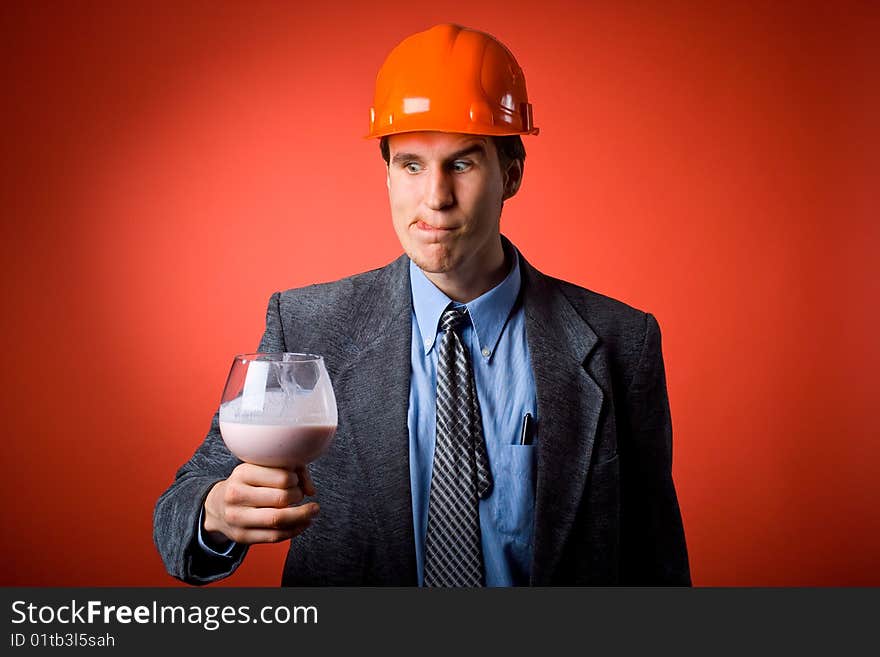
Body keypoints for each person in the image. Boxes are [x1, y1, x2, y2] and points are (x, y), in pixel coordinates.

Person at [153, 23, 690, 586]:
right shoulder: (310, 328)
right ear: (386, 175)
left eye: (462, 163)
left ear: (511, 175)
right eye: (411, 164)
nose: (435, 197)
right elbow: (180, 512)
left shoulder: (621, 341)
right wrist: (214, 514)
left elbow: (657, 559)